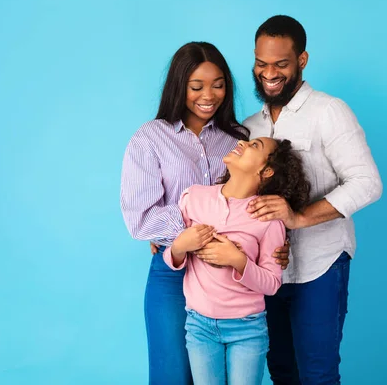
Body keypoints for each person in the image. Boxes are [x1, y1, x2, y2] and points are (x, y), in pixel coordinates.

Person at [120, 42, 289, 384]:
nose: (208, 95)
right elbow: (140, 218)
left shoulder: (238, 138)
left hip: (233, 281)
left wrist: (278, 244)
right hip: (174, 270)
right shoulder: (150, 139)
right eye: (196, 87)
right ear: (179, 86)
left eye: (219, 84)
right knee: (172, 375)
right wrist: (180, 236)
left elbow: (259, 196)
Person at [243, 15, 383, 385]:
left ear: (302, 60)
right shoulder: (248, 127)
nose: (268, 73)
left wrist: (299, 218)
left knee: (318, 375)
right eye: (261, 63)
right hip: (267, 273)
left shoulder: (329, 112)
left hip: (320, 267)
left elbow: (367, 183)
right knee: (282, 373)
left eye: (280, 64)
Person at [163, 137, 310, 385]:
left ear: (267, 171)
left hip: (248, 330)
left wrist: (238, 260)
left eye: (255, 146)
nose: (243, 142)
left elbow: (272, 283)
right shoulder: (194, 197)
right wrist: (179, 246)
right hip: (199, 326)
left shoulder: (269, 219)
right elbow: (173, 258)